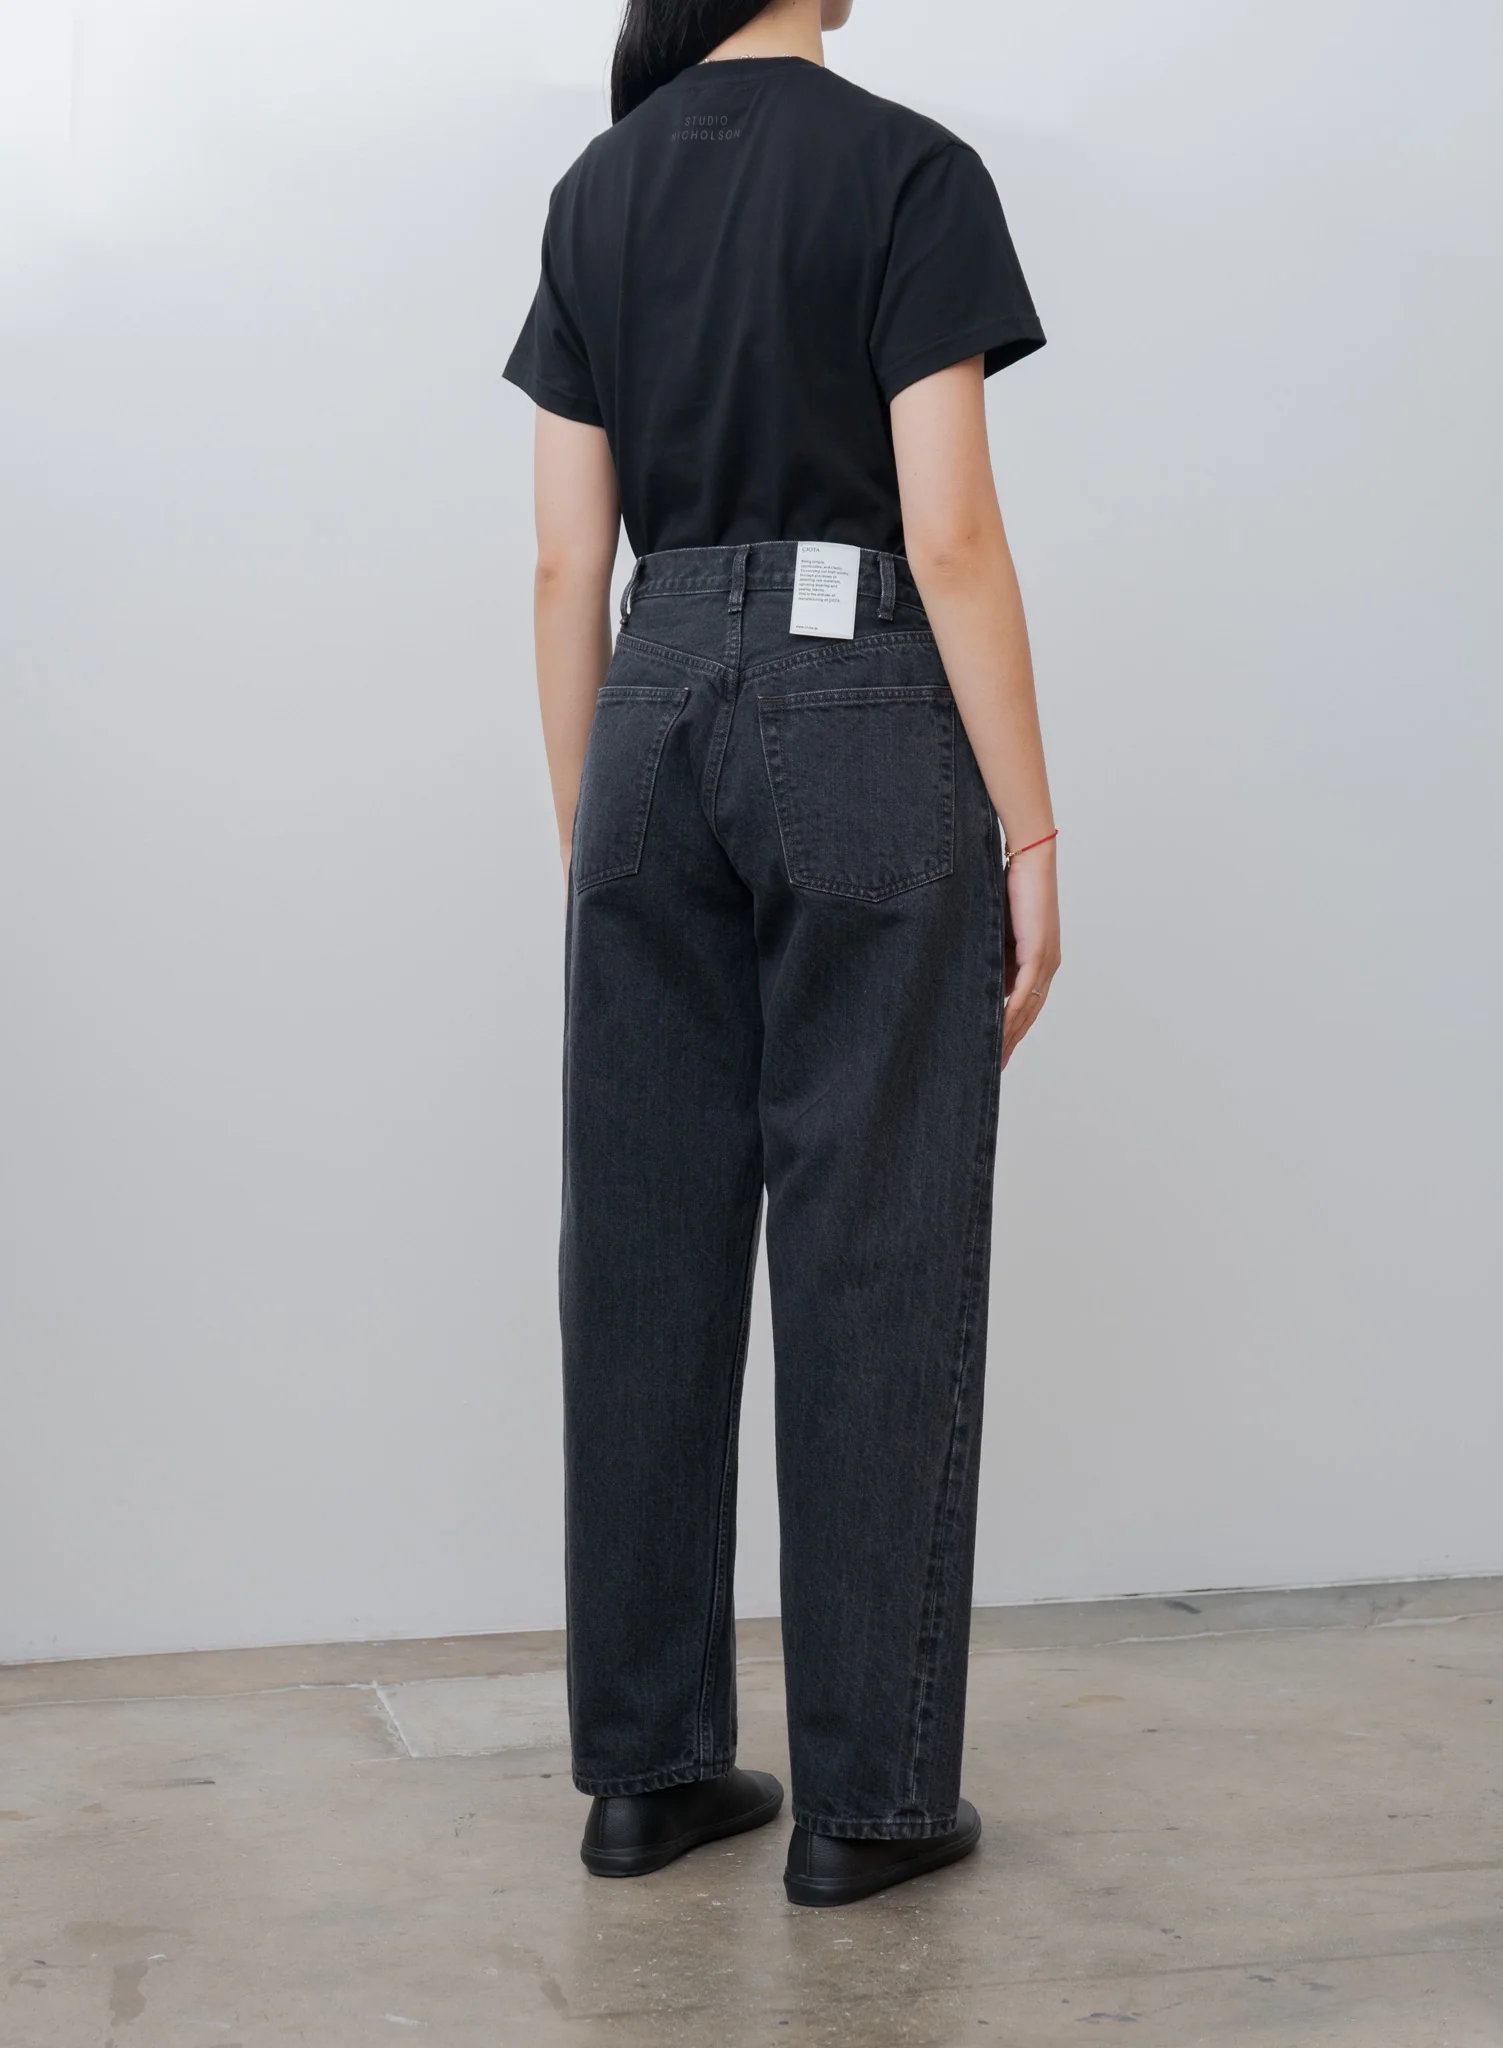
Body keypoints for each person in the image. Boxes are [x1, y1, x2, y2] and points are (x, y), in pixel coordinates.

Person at [505, 0, 1059, 1910]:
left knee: (641, 1248)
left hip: (648, 698)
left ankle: (646, 1777)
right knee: (872, 1238)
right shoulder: (906, 169)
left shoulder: (596, 189)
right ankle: (867, 1805)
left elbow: (566, 563)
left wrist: (596, 834)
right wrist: (1031, 830)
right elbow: (950, 530)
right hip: (858, 687)